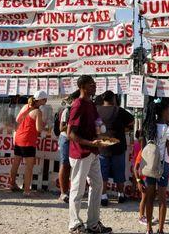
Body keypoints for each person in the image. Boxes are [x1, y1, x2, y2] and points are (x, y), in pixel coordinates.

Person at [67, 75, 112, 234]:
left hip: (92, 151)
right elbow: (70, 133)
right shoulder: (78, 105)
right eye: (92, 84)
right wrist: (90, 143)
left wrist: (101, 134)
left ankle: (93, 223)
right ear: (83, 87)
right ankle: (74, 224)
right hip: (80, 152)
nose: (95, 86)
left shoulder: (91, 104)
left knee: (98, 185)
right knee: (78, 189)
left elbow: (97, 123)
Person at [96, 90, 134, 206]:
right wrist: (123, 129)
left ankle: (103, 196)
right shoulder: (119, 110)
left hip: (102, 145)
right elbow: (132, 122)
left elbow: (95, 125)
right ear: (113, 99)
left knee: (103, 172)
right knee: (119, 172)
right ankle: (121, 195)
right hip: (118, 145)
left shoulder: (97, 110)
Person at [142, 98, 169, 234]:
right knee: (162, 199)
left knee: (149, 197)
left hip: (149, 165)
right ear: (163, 113)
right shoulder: (168, 129)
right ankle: (160, 229)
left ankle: (149, 228)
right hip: (162, 165)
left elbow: (145, 147)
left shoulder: (148, 127)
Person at [9, 90, 46, 196]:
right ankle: (26, 190)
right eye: (44, 100)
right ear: (41, 100)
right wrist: (44, 126)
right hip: (28, 139)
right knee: (29, 166)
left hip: (19, 136)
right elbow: (38, 129)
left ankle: (12, 184)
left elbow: (17, 119)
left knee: (16, 163)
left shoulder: (26, 106)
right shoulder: (38, 112)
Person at [58, 91, 78, 203]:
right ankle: (63, 193)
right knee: (65, 164)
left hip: (77, 139)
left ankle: (73, 191)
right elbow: (61, 128)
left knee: (77, 166)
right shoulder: (68, 110)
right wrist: (73, 124)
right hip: (66, 138)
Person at [133, 147, 158, 226]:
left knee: (150, 198)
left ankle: (148, 215)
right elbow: (135, 168)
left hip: (150, 177)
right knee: (144, 198)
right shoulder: (142, 151)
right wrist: (138, 181)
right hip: (143, 178)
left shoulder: (153, 150)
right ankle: (141, 217)